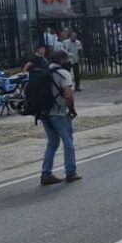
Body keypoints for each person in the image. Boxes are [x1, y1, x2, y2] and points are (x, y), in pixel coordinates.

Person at [41, 49, 80, 185]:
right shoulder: (63, 73)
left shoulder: (45, 72)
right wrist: (72, 109)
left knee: (52, 142)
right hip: (59, 112)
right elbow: (68, 95)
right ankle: (70, 172)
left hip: (45, 112)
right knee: (68, 142)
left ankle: (46, 173)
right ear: (62, 60)